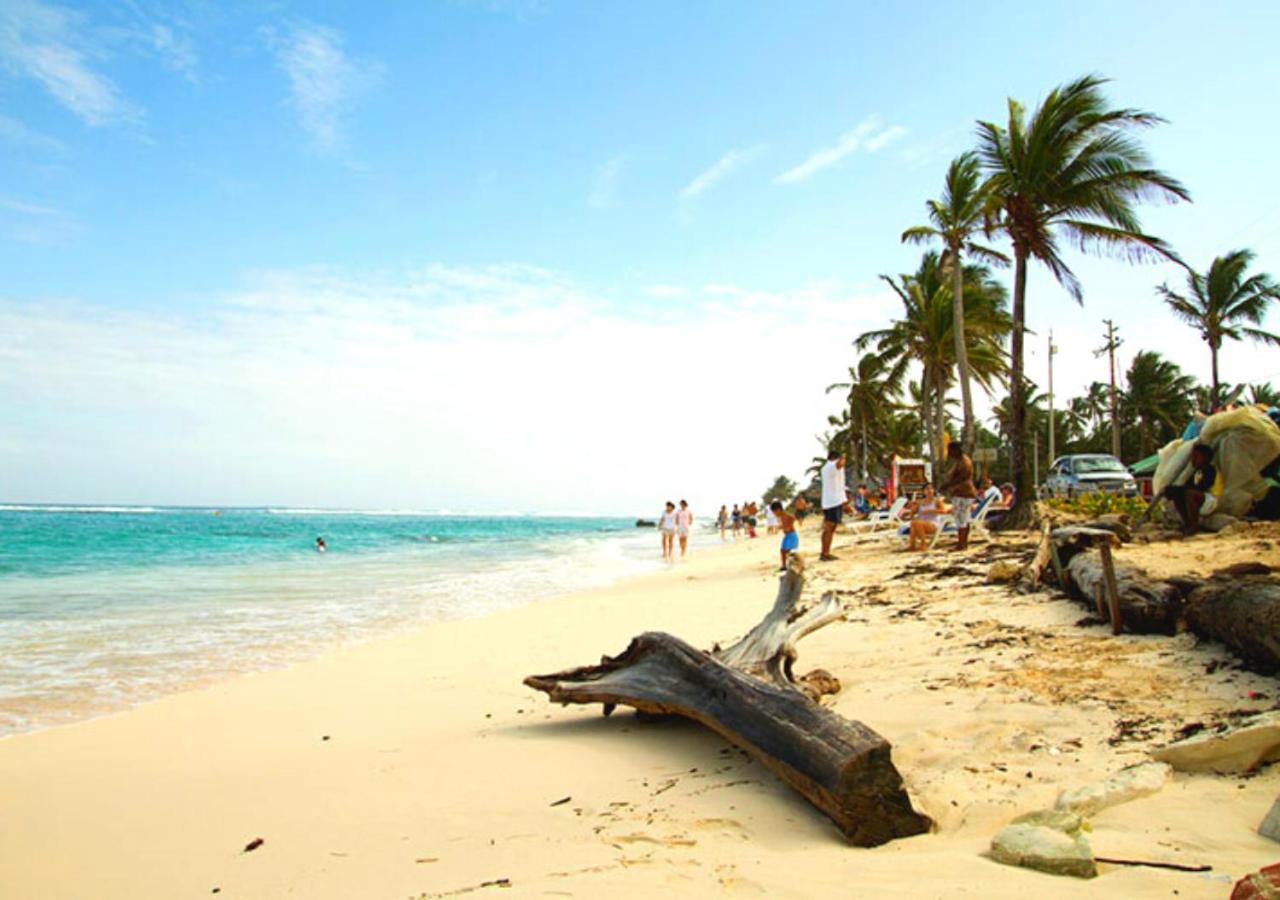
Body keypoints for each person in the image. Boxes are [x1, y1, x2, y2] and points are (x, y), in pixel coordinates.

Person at [1163, 443, 1218, 535]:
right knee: (1177, 494)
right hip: (1199, 497)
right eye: (1192, 457)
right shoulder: (1196, 472)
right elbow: (1188, 486)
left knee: (1189, 494)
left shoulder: (1210, 470)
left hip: (1210, 499)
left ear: (1206, 458)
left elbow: (1204, 487)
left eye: (1196, 457)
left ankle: (1194, 525)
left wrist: (1186, 490)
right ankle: (1187, 523)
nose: (1193, 460)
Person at [939, 442, 978, 550]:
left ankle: (961, 544)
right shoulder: (960, 461)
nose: (949, 453)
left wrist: (947, 485)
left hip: (963, 493)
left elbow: (961, 478)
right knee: (964, 519)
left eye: (950, 450)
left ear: (956, 450)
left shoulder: (964, 462)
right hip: (961, 493)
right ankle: (963, 542)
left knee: (961, 519)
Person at [819, 449, 849, 561]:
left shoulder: (827, 468)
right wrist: (844, 456)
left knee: (830, 528)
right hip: (833, 502)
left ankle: (825, 552)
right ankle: (825, 553)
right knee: (829, 528)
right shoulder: (830, 467)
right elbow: (839, 464)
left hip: (832, 501)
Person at [904, 485, 950, 551]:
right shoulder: (920, 502)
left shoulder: (937, 501)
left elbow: (944, 511)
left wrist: (931, 511)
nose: (929, 490)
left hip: (933, 524)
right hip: (920, 524)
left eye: (931, 488)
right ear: (923, 492)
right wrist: (912, 509)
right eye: (927, 489)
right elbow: (913, 512)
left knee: (917, 523)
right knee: (914, 522)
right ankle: (912, 545)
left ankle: (923, 544)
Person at [771, 501, 799, 571]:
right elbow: (784, 524)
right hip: (787, 536)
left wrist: (789, 526)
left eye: (774, 512)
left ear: (779, 510)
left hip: (791, 535)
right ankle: (786, 565)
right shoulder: (781, 516)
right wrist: (781, 527)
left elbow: (793, 517)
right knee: (784, 551)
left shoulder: (785, 515)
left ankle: (786, 565)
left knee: (784, 551)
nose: (774, 514)